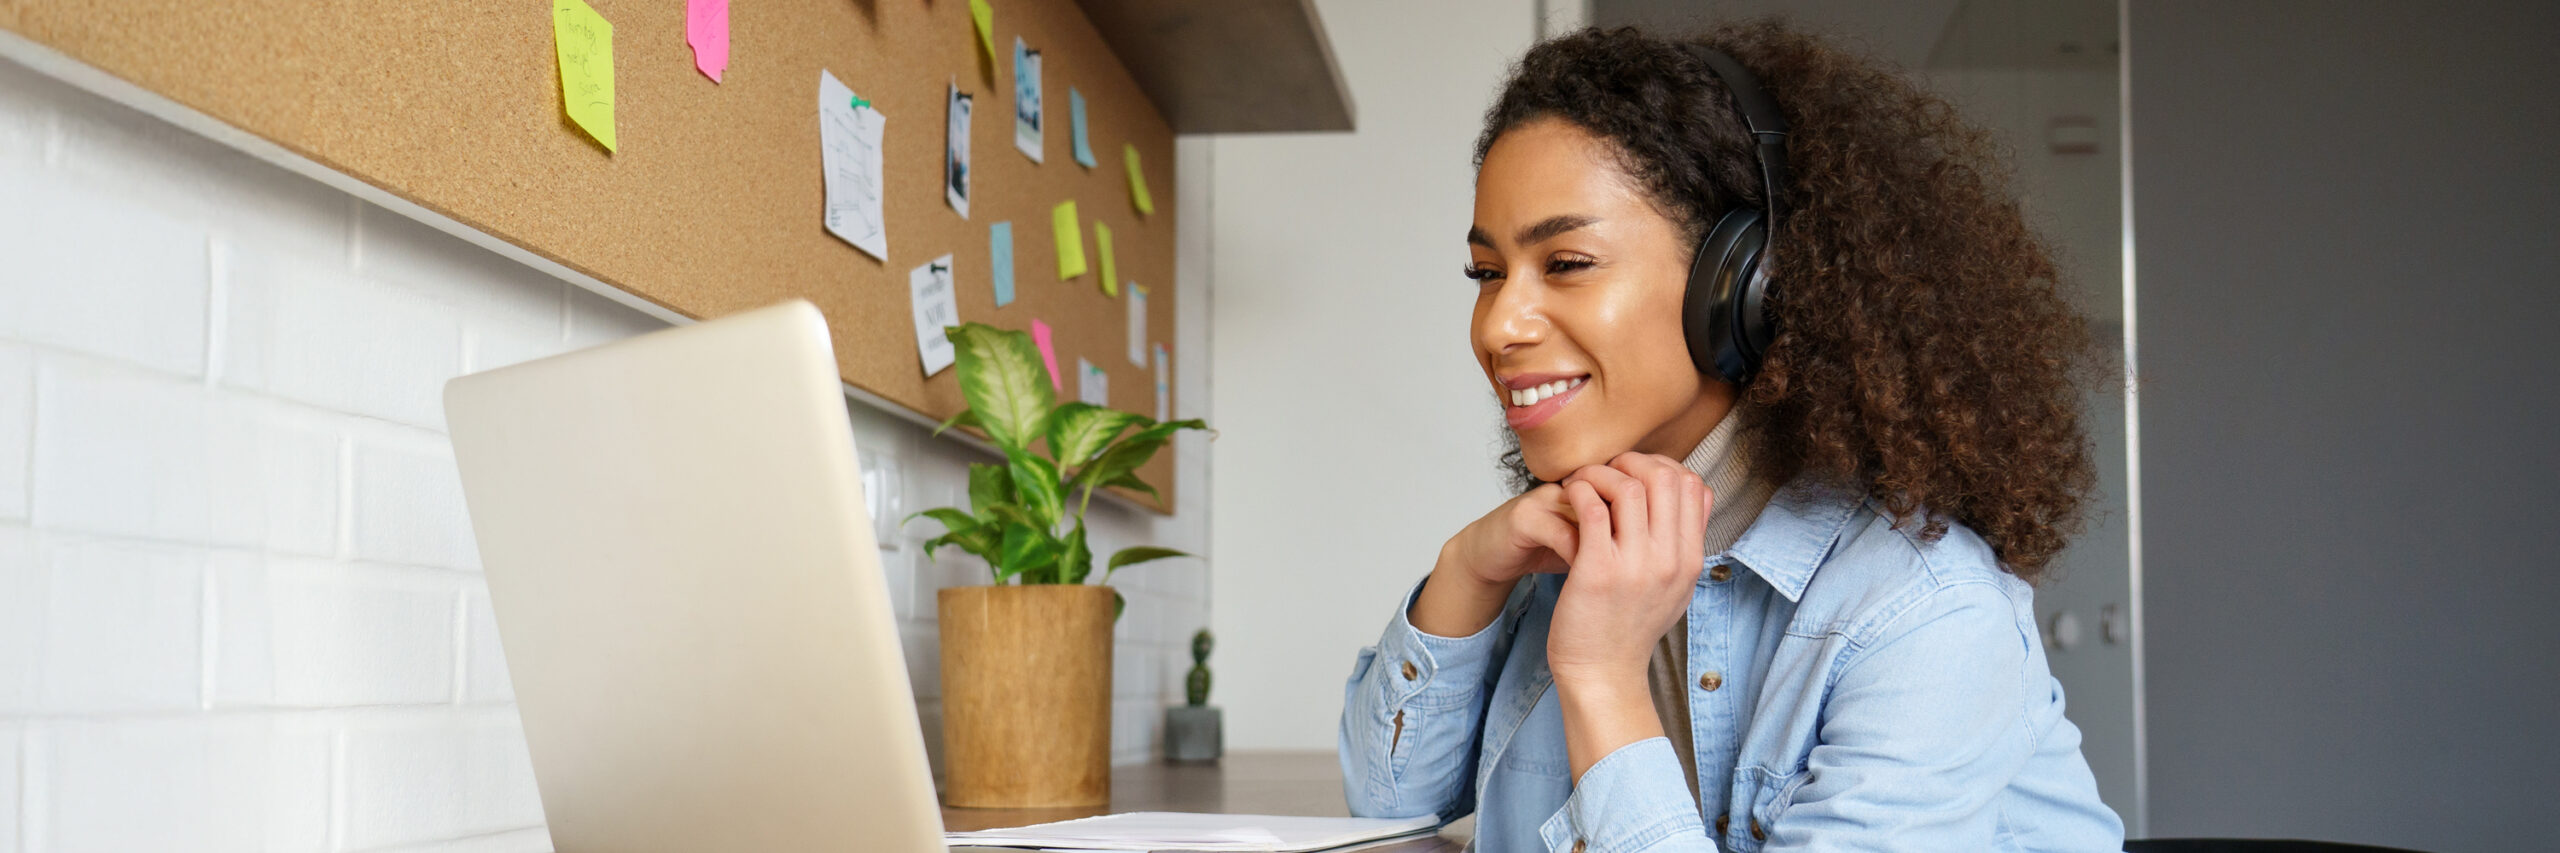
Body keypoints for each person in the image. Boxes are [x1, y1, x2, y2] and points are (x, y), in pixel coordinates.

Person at [1338, 20, 2126, 852]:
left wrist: (1603, 680)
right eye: (1487, 274)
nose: (1498, 325)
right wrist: (1468, 570)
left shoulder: (1928, 613)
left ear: (1744, 284)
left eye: (1565, 263)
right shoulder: (1569, 548)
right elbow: (1389, 807)